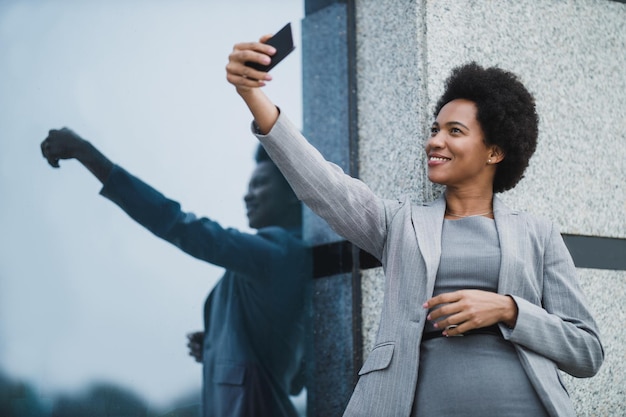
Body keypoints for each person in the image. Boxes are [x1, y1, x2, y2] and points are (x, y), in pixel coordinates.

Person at [225, 37, 604, 417]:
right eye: (434, 129)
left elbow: (587, 351)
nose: (434, 141)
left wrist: (508, 309)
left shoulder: (538, 234)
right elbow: (324, 185)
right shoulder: (398, 223)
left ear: (495, 151)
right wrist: (253, 97)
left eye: (454, 131)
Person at [40, 130, 310, 417]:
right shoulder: (279, 256)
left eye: (259, 184)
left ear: (294, 194)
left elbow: (178, 225)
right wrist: (219, 345)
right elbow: (291, 375)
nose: (247, 195)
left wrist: (88, 154)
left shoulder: (279, 252)